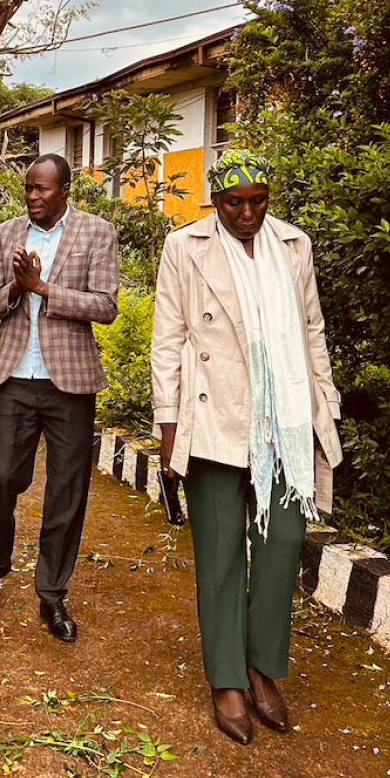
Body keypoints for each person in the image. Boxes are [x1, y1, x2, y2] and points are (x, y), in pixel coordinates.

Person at [150, 149, 343, 745]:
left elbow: (311, 328)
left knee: (283, 541)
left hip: (285, 418)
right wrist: (168, 429)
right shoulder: (186, 247)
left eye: (258, 200)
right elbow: (169, 336)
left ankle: (263, 665)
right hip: (214, 416)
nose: (247, 212)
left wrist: (324, 405)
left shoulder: (295, 246)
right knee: (221, 549)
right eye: (235, 202)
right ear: (216, 200)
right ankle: (228, 679)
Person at [0, 154, 119, 644]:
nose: (33, 197)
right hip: (14, 375)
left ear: (65, 190)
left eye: (43, 190)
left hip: (69, 382)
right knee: (2, 478)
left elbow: (106, 306)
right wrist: (17, 287)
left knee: (66, 492)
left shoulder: (97, 233)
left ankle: (52, 592)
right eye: (29, 188)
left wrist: (45, 288)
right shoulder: (4, 234)